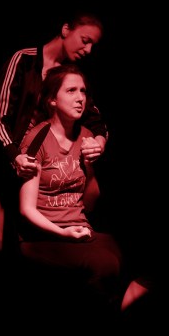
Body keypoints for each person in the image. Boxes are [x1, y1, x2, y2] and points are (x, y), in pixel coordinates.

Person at [17, 64, 148, 318]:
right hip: (42, 235)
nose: (80, 98)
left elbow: (90, 202)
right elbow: (26, 209)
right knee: (105, 264)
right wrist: (63, 232)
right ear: (52, 100)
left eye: (83, 91)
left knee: (130, 253)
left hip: (78, 227)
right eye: (71, 91)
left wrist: (89, 166)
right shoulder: (38, 138)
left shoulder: (86, 136)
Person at [0, 11, 107, 253]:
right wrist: (15, 156)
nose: (88, 50)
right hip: (9, 160)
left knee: (38, 240)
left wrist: (99, 143)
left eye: (93, 45)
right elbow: (0, 118)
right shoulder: (24, 60)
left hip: (43, 169)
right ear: (66, 30)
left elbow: (96, 121)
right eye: (85, 40)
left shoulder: (71, 75)